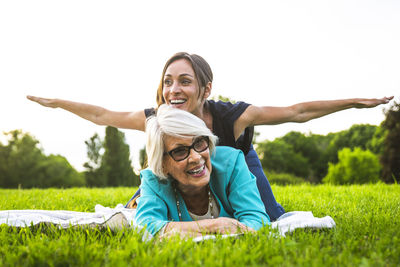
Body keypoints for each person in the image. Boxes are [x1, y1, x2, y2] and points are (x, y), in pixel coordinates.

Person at [27, 52, 393, 221]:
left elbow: (298, 112)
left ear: (205, 88)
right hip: (179, 173)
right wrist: (58, 103)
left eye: (184, 81)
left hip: (236, 164)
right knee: (134, 215)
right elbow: (102, 115)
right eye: (167, 81)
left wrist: (353, 103)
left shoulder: (232, 116)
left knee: (272, 219)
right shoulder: (159, 119)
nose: (173, 89)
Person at [134, 104, 269, 238]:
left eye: (199, 143)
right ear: (162, 164)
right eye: (180, 151)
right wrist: (214, 225)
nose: (196, 157)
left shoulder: (231, 162)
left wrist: (178, 231)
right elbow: (143, 226)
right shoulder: (153, 179)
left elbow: (257, 220)